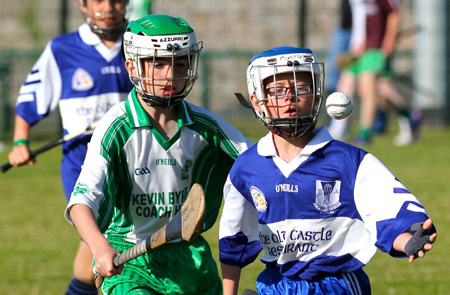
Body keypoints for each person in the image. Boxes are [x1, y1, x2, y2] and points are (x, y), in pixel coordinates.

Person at [219, 46, 437, 295]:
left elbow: (386, 209)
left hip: (335, 285)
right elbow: (233, 242)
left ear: (316, 94)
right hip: (275, 284)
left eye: (301, 88)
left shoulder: (348, 160)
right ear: (258, 101)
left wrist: (407, 239)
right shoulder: (248, 167)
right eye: (278, 90)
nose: (290, 97)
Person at [64, 14, 252, 295]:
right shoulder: (116, 127)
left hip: (192, 259)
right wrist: (99, 245)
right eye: (158, 63)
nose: (170, 75)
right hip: (131, 259)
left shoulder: (207, 127)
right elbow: (81, 202)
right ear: (132, 66)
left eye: (180, 63)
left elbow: (260, 163)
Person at [7, 0, 132, 294]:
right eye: (99, 0)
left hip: (133, 162)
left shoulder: (138, 42)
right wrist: (20, 142)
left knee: (94, 252)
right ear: (82, 4)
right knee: (106, 240)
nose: (108, 7)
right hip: (82, 165)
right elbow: (30, 99)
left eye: (116, 0)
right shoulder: (62, 49)